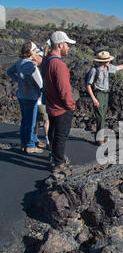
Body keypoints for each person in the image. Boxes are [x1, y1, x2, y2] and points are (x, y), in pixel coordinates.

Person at [86, 50, 123, 145]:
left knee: (103, 116)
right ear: (102, 61)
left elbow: (117, 68)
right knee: (100, 116)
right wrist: (94, 98)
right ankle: (99, 139)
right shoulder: (94, 70)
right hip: (98, 94)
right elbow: (88, 85)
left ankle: (100, 136)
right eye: (107, 60)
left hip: (105, 94)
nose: (109, 61)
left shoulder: (108, 68)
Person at [42, 31, 76, 172]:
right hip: (61, 108)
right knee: (61, 136)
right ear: (60, 45)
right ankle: (59, 164)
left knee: (55, 134)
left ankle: (55, 156)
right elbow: (64, 90)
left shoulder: (46, 61)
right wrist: (70, 105)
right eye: (67, 44)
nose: (68, 47)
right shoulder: (59, 65)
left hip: (51, 106)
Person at [7, 41, 43, 154]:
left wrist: (19, 81)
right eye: (35, 50)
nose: (37, 52)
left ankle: (24, 143)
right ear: (30, 52)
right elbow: (40, 83)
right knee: (31, 122)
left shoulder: (19, 62)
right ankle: (30, 145)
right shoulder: (30, 65)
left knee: (24, 121)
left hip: (21, 95)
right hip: (31, 97)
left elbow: (9, 72)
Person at [32, 48, 50, 149]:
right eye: (41, 57)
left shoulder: (33, 67)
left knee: (37, 121)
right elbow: (40, 84)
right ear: (37, 57)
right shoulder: (34, 68)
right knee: (46, 120)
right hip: (40, 99)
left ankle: (35, 139)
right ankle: (48, 141)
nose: (42, 59)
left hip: (35, 99)